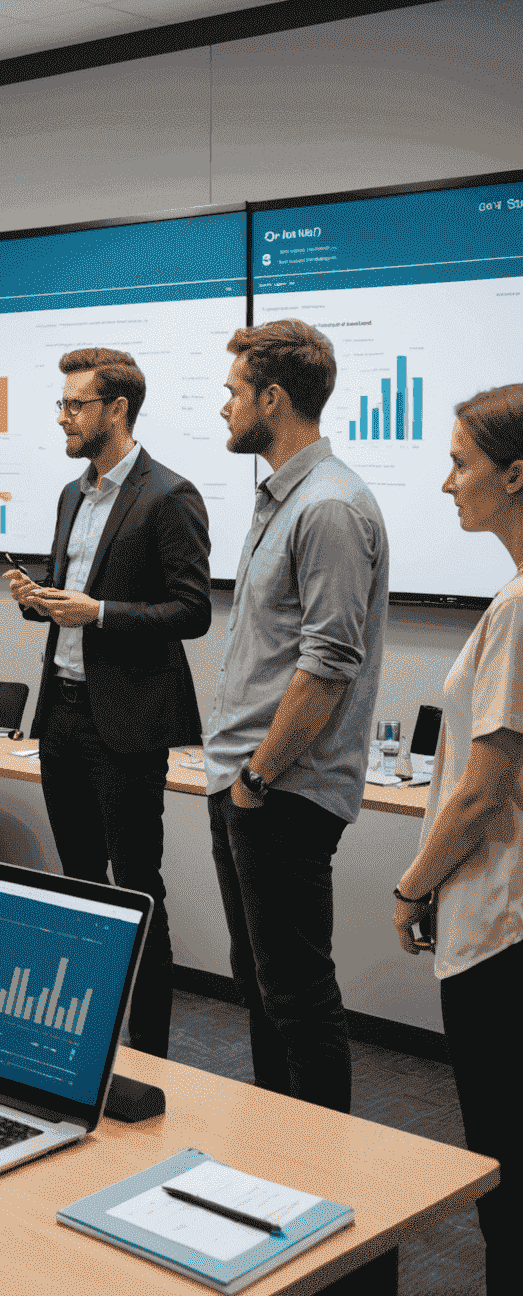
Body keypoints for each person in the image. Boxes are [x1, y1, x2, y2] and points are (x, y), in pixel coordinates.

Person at [203, 319, 388, 1114]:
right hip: (251, 782)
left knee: (300, 1001)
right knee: (264, 990)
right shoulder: (284, 497)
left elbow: (326, 669)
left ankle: (324, 1190)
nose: (224, 409)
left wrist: (255, 778)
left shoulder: (332, 507)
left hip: (283, 790)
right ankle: (275, 1161)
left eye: (234, 393)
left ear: (272, 399)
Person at [4, 348, 210, 1058]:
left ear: (116, 410)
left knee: (136, 887)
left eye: (75, 405)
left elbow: (191, 612)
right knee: (79, 885)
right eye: (61, 404)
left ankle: (150, 1048)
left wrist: (98, 613)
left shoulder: (168, 496)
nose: (63, 416)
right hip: (60, 712)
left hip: (124, 725)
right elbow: (74, 604)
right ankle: (87, 1040)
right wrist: (40, 600)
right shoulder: (72, 495)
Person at [393, 384, 523, 1292]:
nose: (446, 484)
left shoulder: (520, 609)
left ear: (516, 474)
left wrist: (410, 888)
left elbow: (481, 795)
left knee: (503, 1160)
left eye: (461, 463)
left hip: (500, 923)